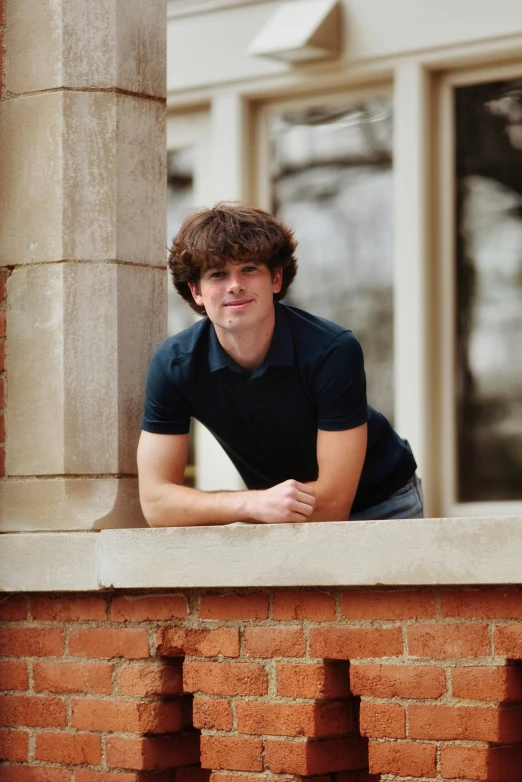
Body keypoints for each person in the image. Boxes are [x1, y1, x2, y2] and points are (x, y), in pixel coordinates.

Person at [137, 202, 423, 527]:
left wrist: (251, 507)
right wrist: (252, 503)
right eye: (218, 274)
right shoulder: (174, 364)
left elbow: (332, 505)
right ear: (196, 291)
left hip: (383, 502)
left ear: (275, 279)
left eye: (248, 269)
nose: (234, 284)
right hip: (272, 510)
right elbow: (156, 504)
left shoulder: (331, 350)